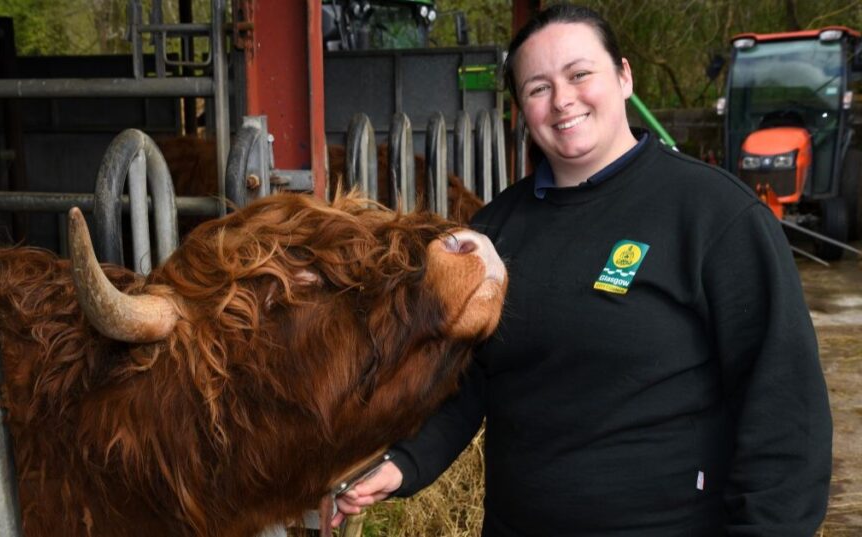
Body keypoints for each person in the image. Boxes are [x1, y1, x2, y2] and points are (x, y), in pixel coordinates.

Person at [334, 3, 833, 536]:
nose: (562, 100)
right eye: (537, 88)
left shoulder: (713, 215)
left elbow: (783, 403)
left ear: (623, 77)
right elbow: (467, 381)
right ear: (521, 109)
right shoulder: (494, 232)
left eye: (579, 74)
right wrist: (404, 464)